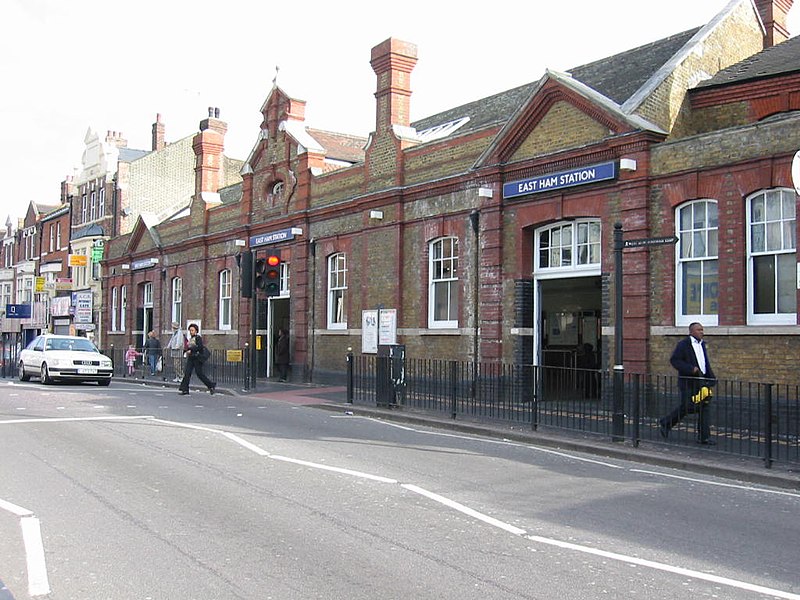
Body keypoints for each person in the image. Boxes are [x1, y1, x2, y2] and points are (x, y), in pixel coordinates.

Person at [659, 322, 717, 444]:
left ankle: (704, 437)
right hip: (688, 382)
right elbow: (675, 360)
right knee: (687, 406)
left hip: (701, 382)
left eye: (702, 329)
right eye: (699, 330)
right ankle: (666, 423)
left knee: (704, 408)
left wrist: (711, 378)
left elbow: (704, 363)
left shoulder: (702, 345)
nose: (702, 332)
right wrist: (690, 369)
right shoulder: (683, 345)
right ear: (691, 332)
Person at [178, 323, 216, 395]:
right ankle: (185, 389)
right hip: (191, 358)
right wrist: (185, 351)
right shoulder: (190, 339)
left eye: (192, 330)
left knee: (199, 373)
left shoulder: (198, 338)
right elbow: (188, 347)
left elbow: (200, 347)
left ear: (196, 331)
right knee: (187, 373)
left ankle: (211, 385)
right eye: (190, 330)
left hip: (197, 358)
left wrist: (191, 350)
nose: (191, 332)